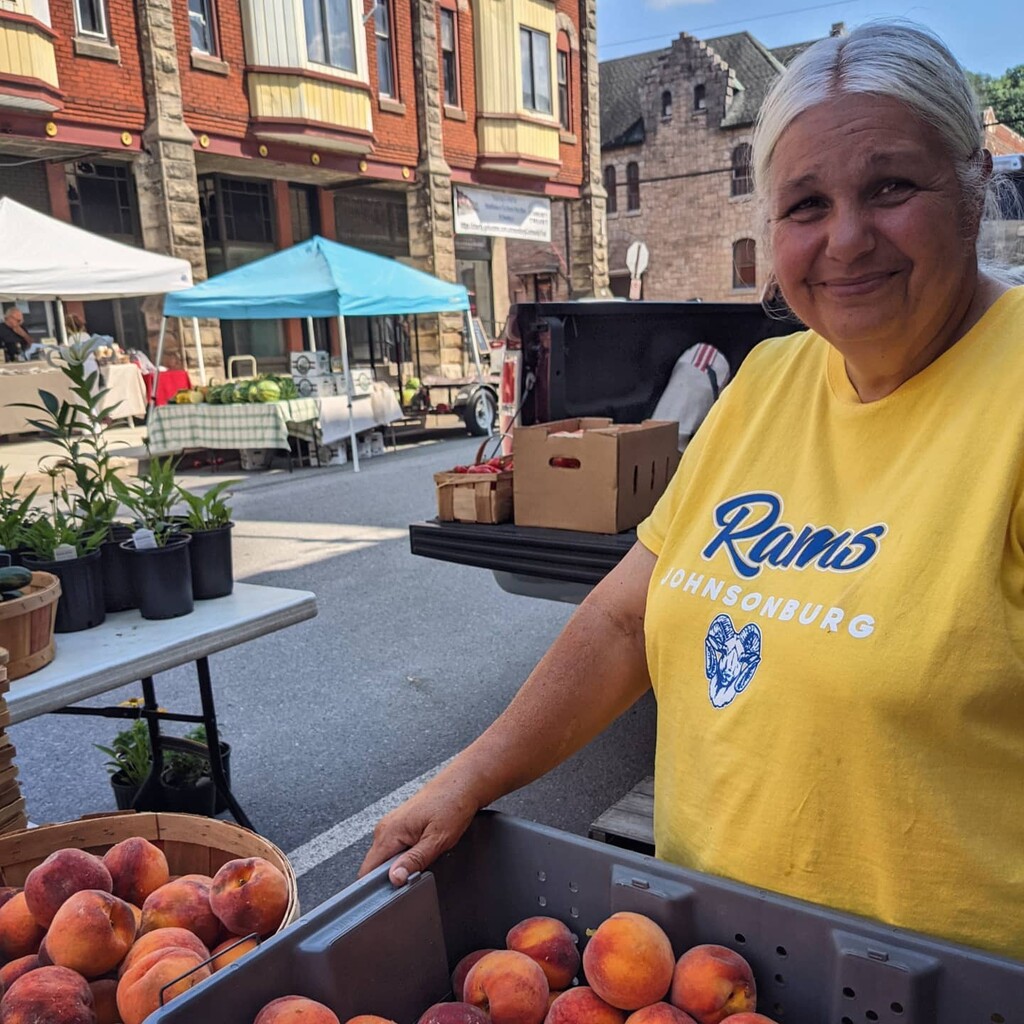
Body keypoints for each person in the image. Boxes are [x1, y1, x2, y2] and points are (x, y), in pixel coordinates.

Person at [361, 22, 1024, 960]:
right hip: (701, 962)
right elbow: (626, 619)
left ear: (971, 185)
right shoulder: (767, 382)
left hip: (938, 981)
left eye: (890, 187)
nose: (845, 238)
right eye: (806, 203)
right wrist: (468, 777)